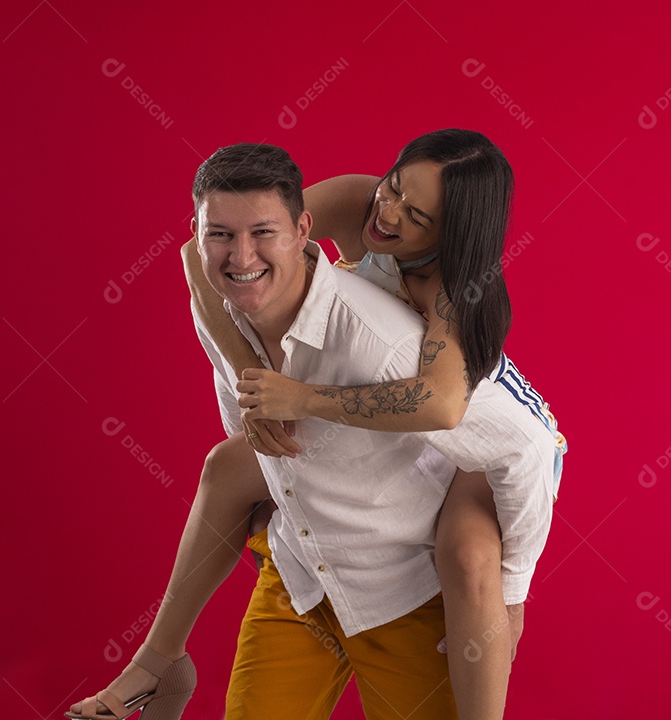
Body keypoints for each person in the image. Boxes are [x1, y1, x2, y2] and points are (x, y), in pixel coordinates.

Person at [66, 141, 555, 720]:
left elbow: (447, 408)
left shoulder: (449, 293)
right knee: (228, 466)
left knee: (470, 559)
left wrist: (513, 594)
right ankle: (157, 663)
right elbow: (231, 250)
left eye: (418, 216)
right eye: (395, 186)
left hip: (487, 440)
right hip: (380, 426)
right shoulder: (358, 201)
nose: (390, 213)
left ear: (454, 235)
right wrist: (259, 391)